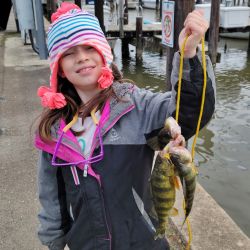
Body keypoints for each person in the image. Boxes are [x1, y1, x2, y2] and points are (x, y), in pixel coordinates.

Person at [34, 2, 215, 250]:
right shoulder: (53, 131)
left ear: (104, 53)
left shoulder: (136, 106)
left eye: (89, 47)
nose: (82, 57)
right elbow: (52, 196)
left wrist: (190, 54)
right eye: (68, 52)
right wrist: (54, 240)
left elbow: (189, 112)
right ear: (60, 69)